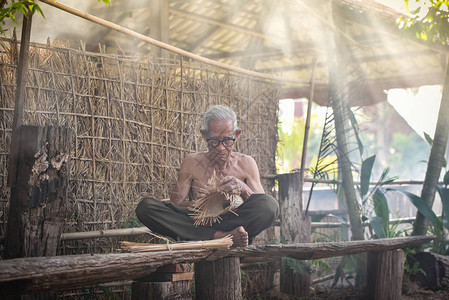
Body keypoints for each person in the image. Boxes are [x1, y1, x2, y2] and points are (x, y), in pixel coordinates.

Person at [135, 105, 278, 247]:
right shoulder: (192, 162)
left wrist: (242, 189)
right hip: (199, 222)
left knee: (270, 206)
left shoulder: (246, 163)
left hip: (234, 222)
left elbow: (260, 203)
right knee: (146, 207)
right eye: (214, 141)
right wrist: (204, 205)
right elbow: (175, 204)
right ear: (204, 135)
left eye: (228, 140)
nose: (221, 148)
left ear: (237, 135)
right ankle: (219, 237)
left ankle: (201, 236)